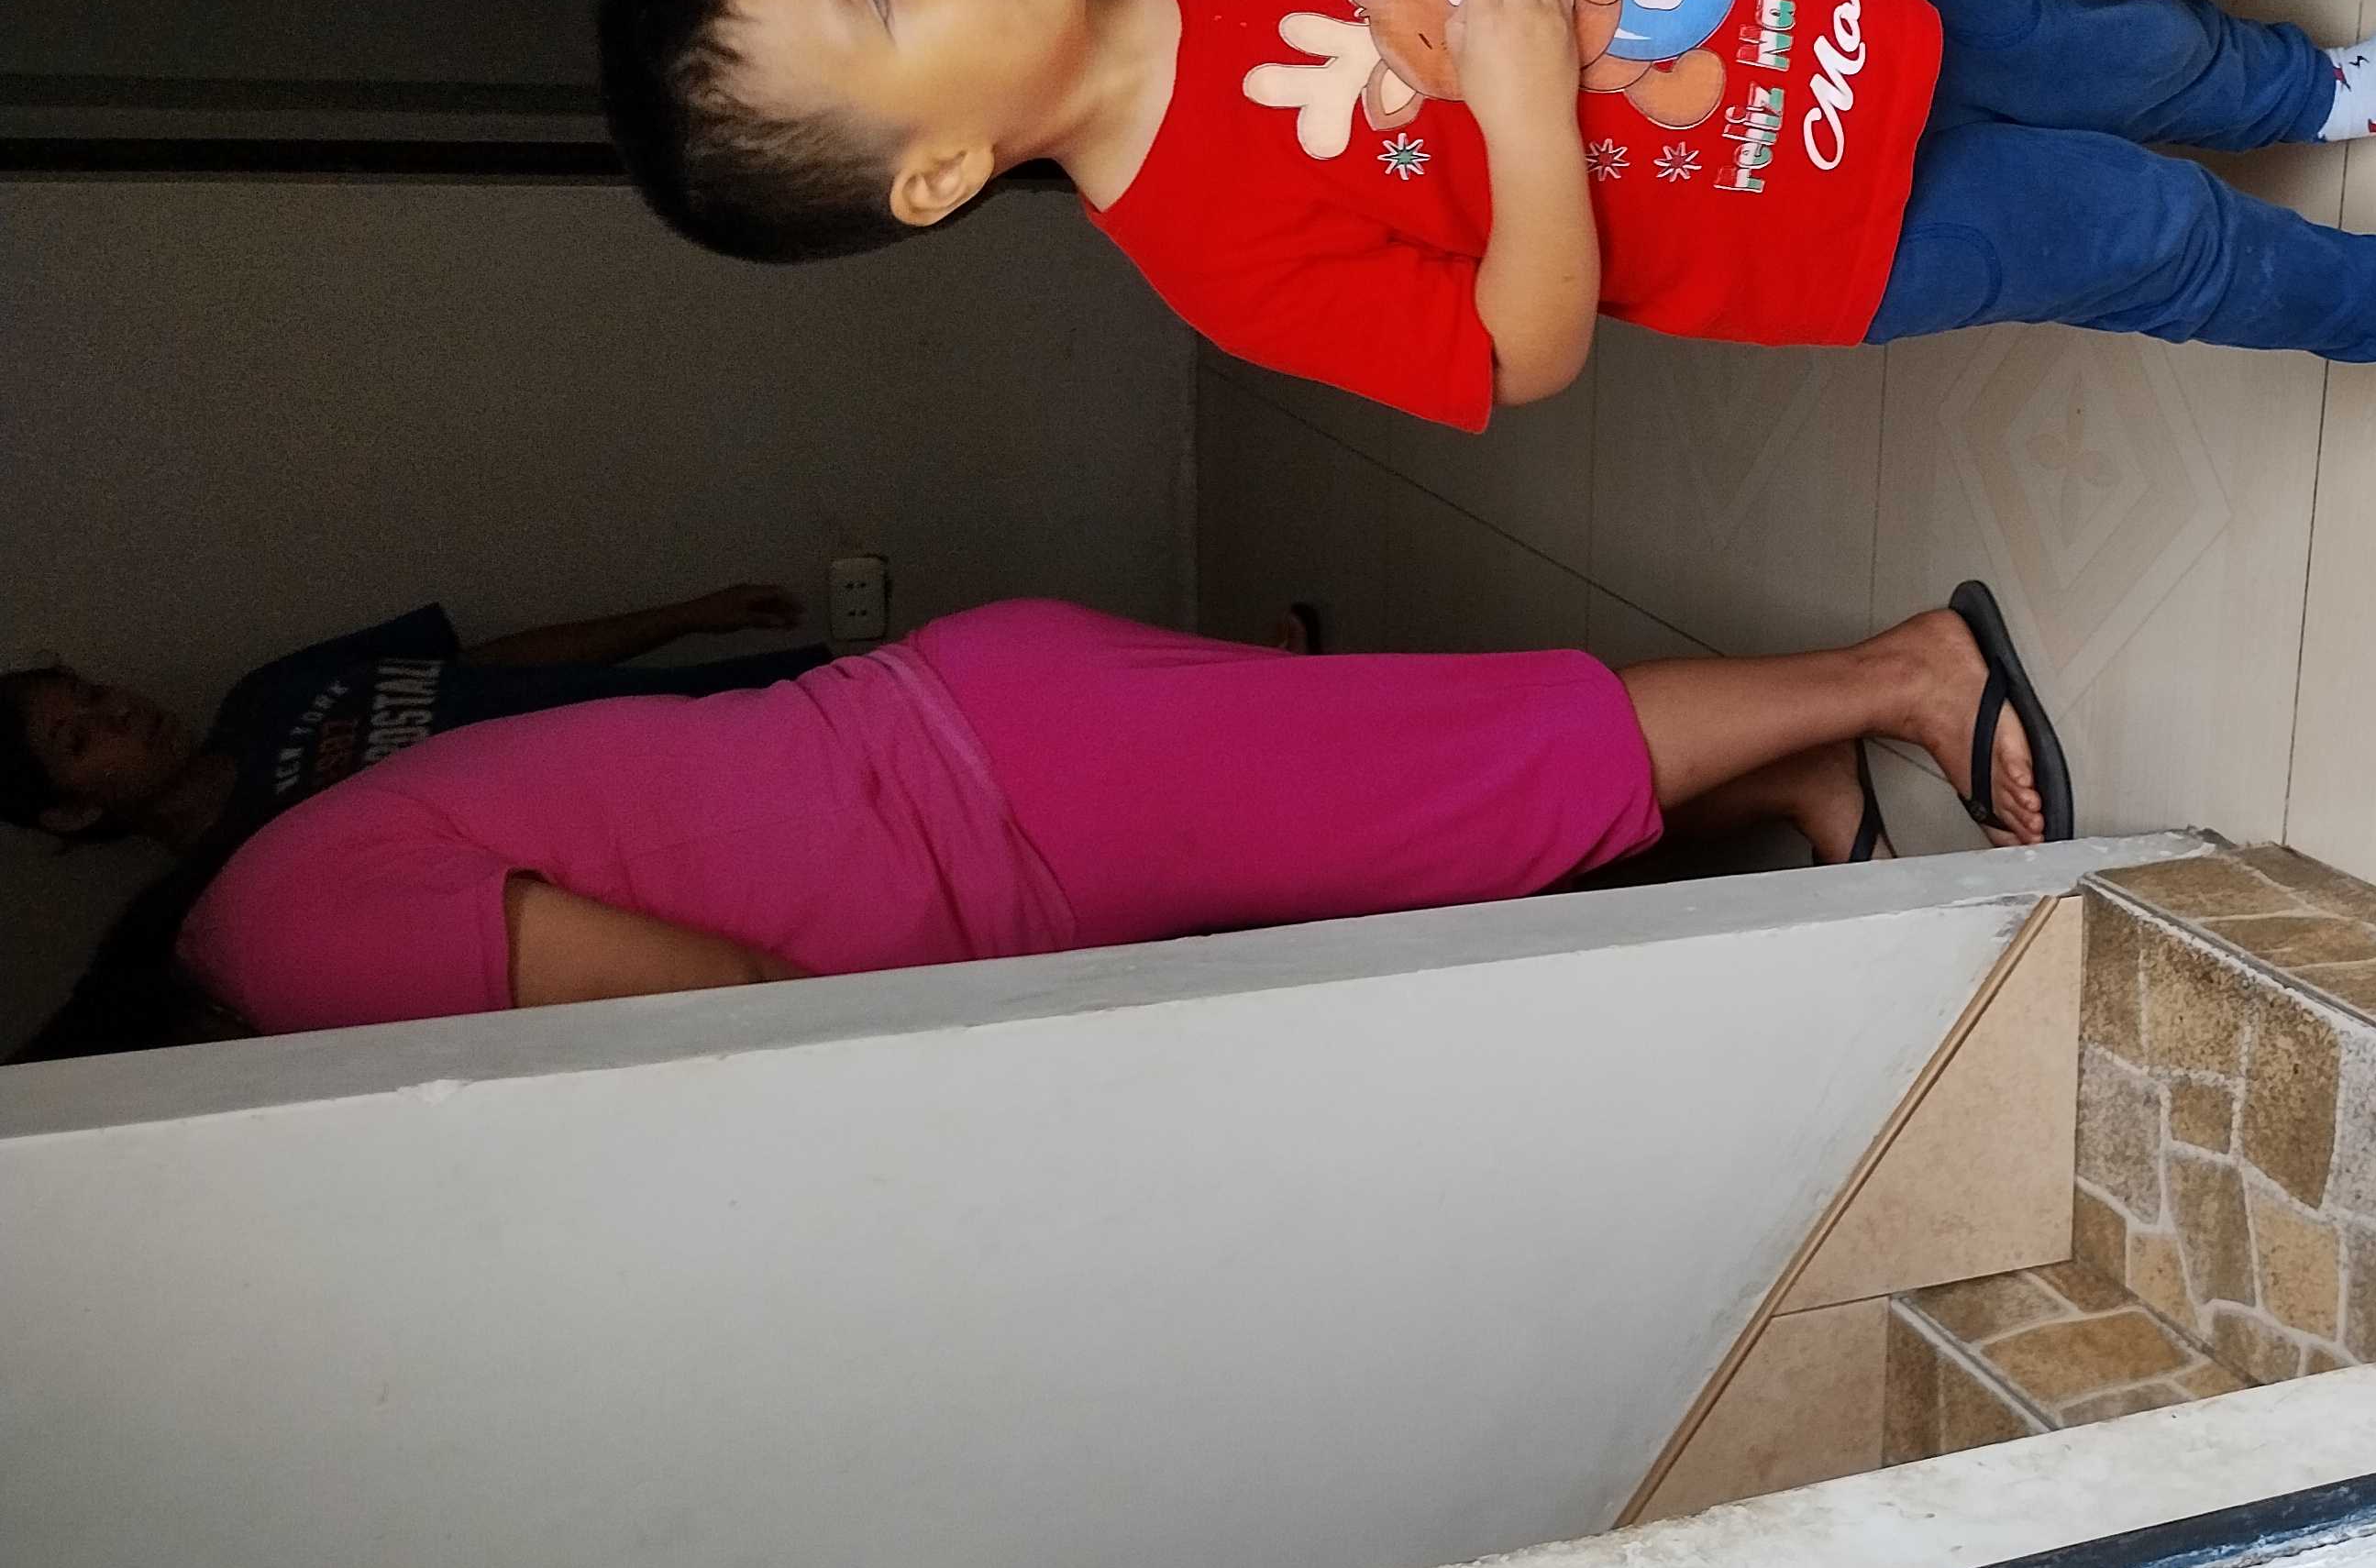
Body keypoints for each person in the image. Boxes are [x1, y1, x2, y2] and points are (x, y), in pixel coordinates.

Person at [599, 0, 2376, 436]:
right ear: (939, 172)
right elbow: (1521, 351)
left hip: (1826, 4)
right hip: (1832, 234)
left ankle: (2318, 89)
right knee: (2146, 230)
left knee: (2113, 41)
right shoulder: (1213, 259)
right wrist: (1512, 101)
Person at [176, 585, 2073, 1041]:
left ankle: (1898, 672)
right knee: (1447, 841)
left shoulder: (284, 945)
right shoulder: (267, 911)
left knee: (1475, 780)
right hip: (999, 810)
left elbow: (719, 998)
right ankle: (1801, 767)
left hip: (1008, 787)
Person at [7, 584, 818, 1059]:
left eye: (92, 692)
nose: (117, 713)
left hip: (747, 712)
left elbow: (487, 664)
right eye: (80, 738)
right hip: (729, 855)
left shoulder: (265, 693)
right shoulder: (261, 908)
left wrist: (684, 614)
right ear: (73, 809)